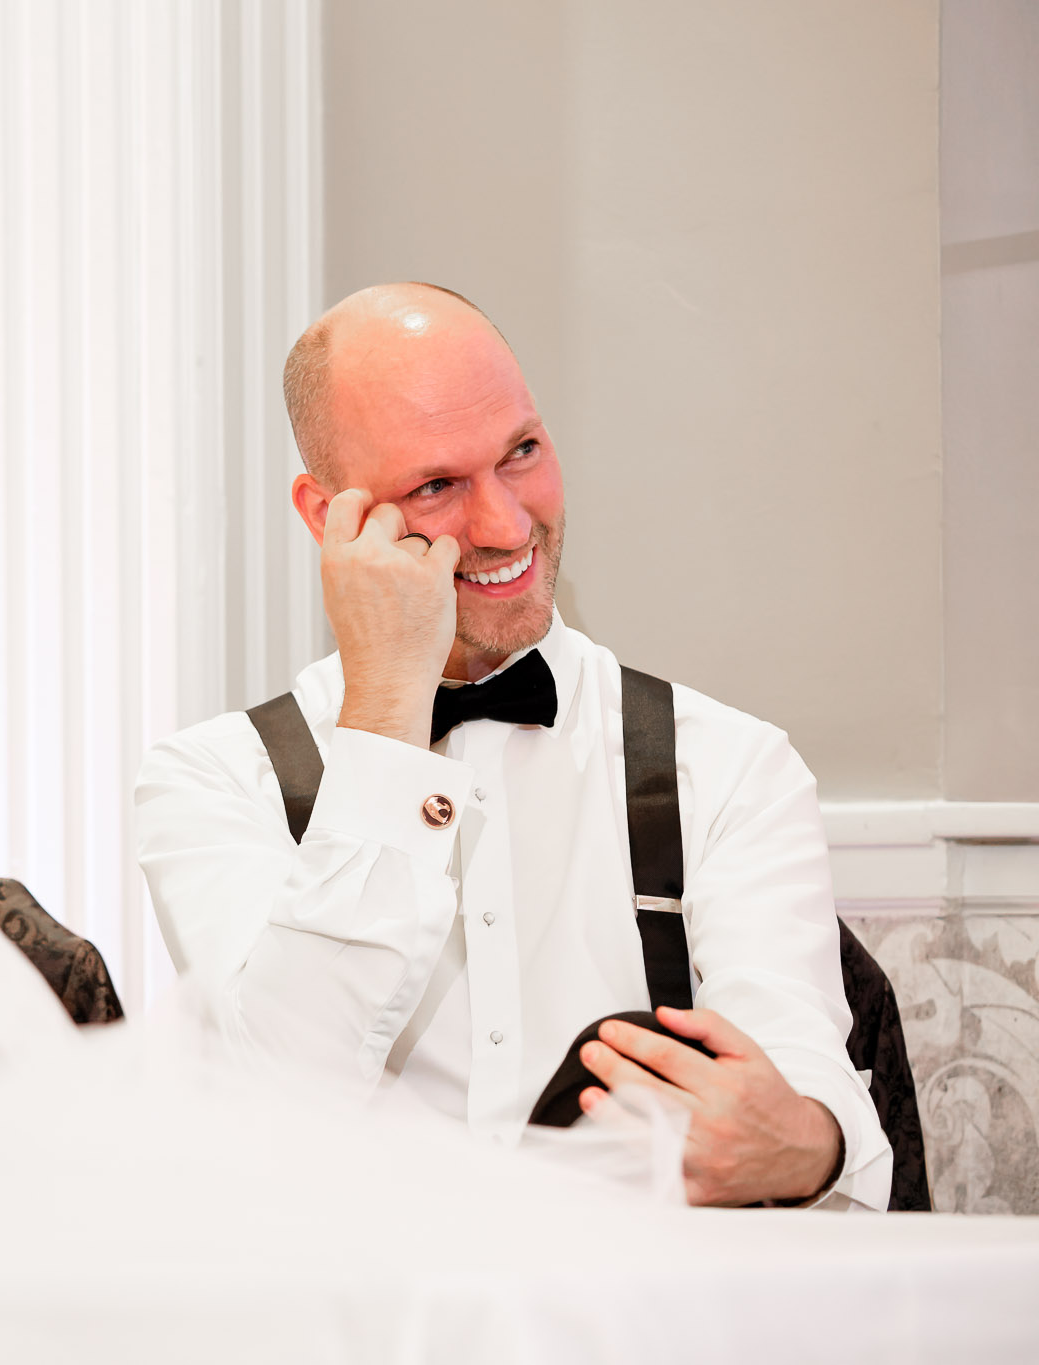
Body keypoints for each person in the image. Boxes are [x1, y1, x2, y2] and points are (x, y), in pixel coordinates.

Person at [134, 283, 891, 1209]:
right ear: (324, 513)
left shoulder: (731, 766)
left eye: (521, 452)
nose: (505, 525)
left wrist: (809, 1146)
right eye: (437, 485)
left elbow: (809, 1095)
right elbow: (280, 1092)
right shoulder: (212, 782)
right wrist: (384, 709)